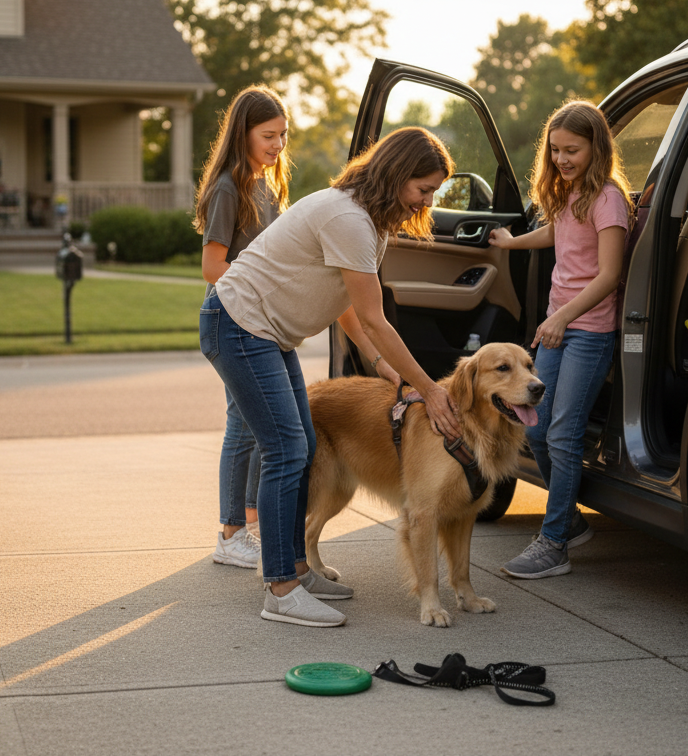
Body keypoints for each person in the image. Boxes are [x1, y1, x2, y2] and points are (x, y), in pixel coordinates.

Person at [201, 126, 462, 627]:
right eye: (423, 189)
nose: (425, 201)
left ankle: (297, 568)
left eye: (433, 192)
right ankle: (280, 589)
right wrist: (428, 389)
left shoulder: (368, 221)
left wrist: (383, 364)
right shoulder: (350, 219)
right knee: (287, 450)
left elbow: (346, 304)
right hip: (236, 325)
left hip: (263, 333)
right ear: (397, 174)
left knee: (297, 445)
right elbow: (374, 316)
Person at [488, 100, 633, 579]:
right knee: (533, 426)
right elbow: (558, 235)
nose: (562, 159)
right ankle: (567, 520)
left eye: (572, 150)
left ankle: (554, 544)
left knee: (563, 435)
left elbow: (609, 275)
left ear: (597, 147)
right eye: (554, 151)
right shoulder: (571, 195)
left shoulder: (608, 198)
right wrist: (512, 243)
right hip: (558, 327)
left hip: (587, 332)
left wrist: (561, 318)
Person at [193, 86, 291, 571]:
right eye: (268, 135)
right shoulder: (230, 187)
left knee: (251, 424)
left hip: (260, 320)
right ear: (243, 134)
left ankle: (244, 528)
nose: (277, 145)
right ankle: (232, 532)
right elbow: (213, 266)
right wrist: (257, 290)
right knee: (244, 427)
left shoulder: (267, 186)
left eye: (283, 135)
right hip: (231, 317)